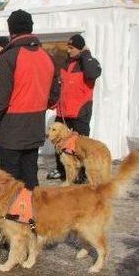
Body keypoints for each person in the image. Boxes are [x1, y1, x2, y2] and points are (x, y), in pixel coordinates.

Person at [0, 9, 60, 190]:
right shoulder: (46, 57)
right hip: (34, 127)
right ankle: (32, 215)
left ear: (11, 31)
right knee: (30, 178)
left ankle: (15, 216)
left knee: (9, 183)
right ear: (31, 28)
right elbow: (54, 96)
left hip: (11, 130)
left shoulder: (9, 56)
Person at [47, 34, 102, 181]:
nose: (69, 50)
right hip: (63, 111)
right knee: (59, 143)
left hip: (80, 111)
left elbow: (93, 73)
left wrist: (86, 54)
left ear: (80, 48)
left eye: (72, 48)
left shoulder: (89, 62)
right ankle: (61, 170)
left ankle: (81, 174)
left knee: (80, 145)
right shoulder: (66, 63)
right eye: (68, 47)